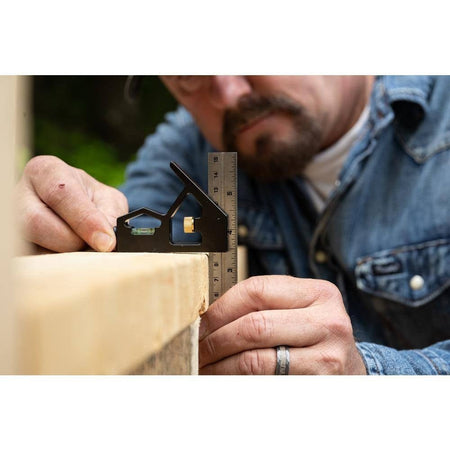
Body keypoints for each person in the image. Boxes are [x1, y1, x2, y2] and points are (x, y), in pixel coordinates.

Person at [16, 76, 450, 375]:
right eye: (189, 74)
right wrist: (59, 223)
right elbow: (114, 227)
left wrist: (374, 375)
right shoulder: (192, 146)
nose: (228, 93)